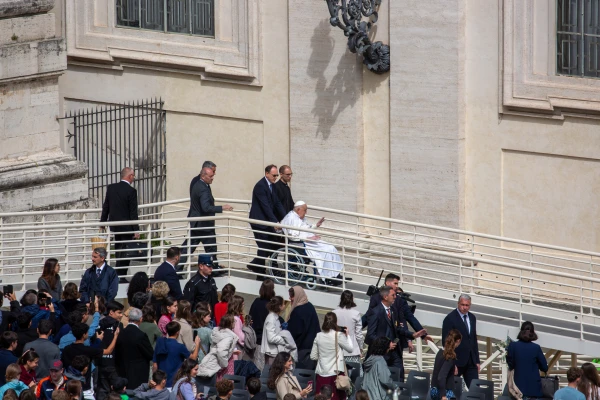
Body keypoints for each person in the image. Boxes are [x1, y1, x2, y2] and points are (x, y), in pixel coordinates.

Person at [366, 286, 426, 377]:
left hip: (395, 352)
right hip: (381, 353)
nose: (395, 297)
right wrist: (386, 344)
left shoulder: (393, 311)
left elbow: (398, 328)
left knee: (398, 377)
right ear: (386, 297)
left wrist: (412, 334)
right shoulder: (375, 312)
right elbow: (371, 335)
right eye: (393, 295)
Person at [180, 166, 233, 267]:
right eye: (210, 176)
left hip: (198, 224)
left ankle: (177, 267)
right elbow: (206, 208)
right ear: (203, 176)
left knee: (188, 247)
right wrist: (222, 207)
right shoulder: (203, 189)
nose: (213, 178)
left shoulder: (199, 184)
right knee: (210, 249)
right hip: (204, 225)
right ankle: (214, 269)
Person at [280, 202, 345, 283]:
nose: (306, 212)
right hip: (302, 244)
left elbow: (307, 227)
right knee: (326, 251)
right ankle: (327, 278)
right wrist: (308, 239)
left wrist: (316, 225)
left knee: (331, 248)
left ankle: (336, 275)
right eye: (305, 210)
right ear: (298, 209)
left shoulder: (300, 217)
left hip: (311, 242)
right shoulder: (291, 218)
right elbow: (292, 237)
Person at [366, 273, 430, 350]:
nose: (397, 286)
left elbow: (410, 318)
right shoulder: (376, 298)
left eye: (397, 284)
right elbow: (368, 317)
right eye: (395, 283)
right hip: (379, 344)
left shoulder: (400, 300)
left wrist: (424, 335)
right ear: (387, 283)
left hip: (396, 343)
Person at [100, 166, 140, 283]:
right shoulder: (131, 191)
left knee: (118, 249)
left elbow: (106, 206)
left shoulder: (111, 188)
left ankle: (117, 274)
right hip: (127, 227)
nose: (133, 178)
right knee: (126, 251)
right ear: (130, 176)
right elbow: (133, 212)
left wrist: (103, 222)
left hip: (115, 225)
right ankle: (121, 275)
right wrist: (136, 230)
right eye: (133, 176)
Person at [62, 323, 120, 400]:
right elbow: (108, 351)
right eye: (87, 332)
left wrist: (98, 340)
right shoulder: (88, 350)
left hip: (70, 386)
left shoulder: (66, 349)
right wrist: (115, 336)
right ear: (83, 334)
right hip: (85, 388)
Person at [247, 165, 286, 278]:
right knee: (264, 246)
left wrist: (287, 218)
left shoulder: (272, 185)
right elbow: (266, 207)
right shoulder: (260, 186)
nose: (276, 177)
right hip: (259, 222)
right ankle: (259, 272)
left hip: (267, 221)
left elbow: (277, 203)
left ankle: (255, 264)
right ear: (267, 174)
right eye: (274, 175)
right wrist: (275, 222)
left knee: (273, 244)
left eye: (277, 175)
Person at [310, 312, 353, 400]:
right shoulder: (338, 335)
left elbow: (313, 356)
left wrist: (323, 358)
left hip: (321, 373)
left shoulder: (318, 336)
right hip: (335, 374)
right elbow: (350, 349)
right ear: (336, 322)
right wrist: (347, 336)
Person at [441, 294, 480, 387]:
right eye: (462, 305)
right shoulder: (450, 318)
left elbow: (473, 339)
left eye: (467, 305)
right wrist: (451, 362)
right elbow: (446, 342)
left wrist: (477, 360)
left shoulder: (472, 318)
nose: (465, 308)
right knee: (453, 389)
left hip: (471, 361)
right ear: (458, 304)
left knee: (475, 389)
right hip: (457, 361)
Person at [506, 321, 548, 399]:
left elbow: (510, 365)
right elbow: (545, 367)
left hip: (518, 389)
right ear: (532, 333)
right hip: (534, 390)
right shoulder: (536, 348)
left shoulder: (513, 346)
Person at [115, 308, 154, 390]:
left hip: (122, 371)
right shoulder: (141, 335)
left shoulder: (121, 333)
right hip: (138, 373)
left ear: (129, 319)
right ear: (141, 319)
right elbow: (150, 354)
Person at [152, 321, 200, 387]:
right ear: (177, 332)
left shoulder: (160, 344)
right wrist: (197, 344)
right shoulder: (180, 347)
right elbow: (193, 358)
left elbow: (155, 365)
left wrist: (155, 380)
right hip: (174, 382)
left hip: (160, 382)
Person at [197, 314, 240, 382]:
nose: (235, 323)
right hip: (224, 364)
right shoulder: (228, 336)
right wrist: (224, 365)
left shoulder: (218, 333)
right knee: (225, 385)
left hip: (217, 362)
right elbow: (221, 351)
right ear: (230, 323)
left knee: (218, 382)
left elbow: (219, 348)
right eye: (234, 321)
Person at [97, 301, 125, 400]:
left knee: (101, 389)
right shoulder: (118, 326)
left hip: (100, 362)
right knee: (115, 390)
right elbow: (121, 344)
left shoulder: (99, 324)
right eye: (119, 312)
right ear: (111, 312)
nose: (121, 315)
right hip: (113, 363)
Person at [333, 290, 364, 374]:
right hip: (352, 351)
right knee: (355, 377)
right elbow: (359, 335)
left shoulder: (334, 313)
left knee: (339, 378)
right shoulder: (356, 314)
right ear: (352, 299)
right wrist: (360, 348)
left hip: (337, 350)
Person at [287, 287, 320, 355]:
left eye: (292, 296)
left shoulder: (297, 311)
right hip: (314, 347)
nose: (290, 298)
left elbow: (294, 332)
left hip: (302, 350)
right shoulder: (310, 306)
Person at [430, 329, 462, 400]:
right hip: (444, 391)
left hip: (434, 389)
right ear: (458, 341)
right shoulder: (450, 356)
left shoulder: (440, 352)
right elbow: (441, 376)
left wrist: (453, 367)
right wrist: (443, 395)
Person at [261, 296, 288, 366]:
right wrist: (284, 340)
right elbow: (271, 338)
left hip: (274, 351)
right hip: (271, 352)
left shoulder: (274, 317)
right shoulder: (271, 318)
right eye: (283, 304)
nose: (284, 305)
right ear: (279, 306)